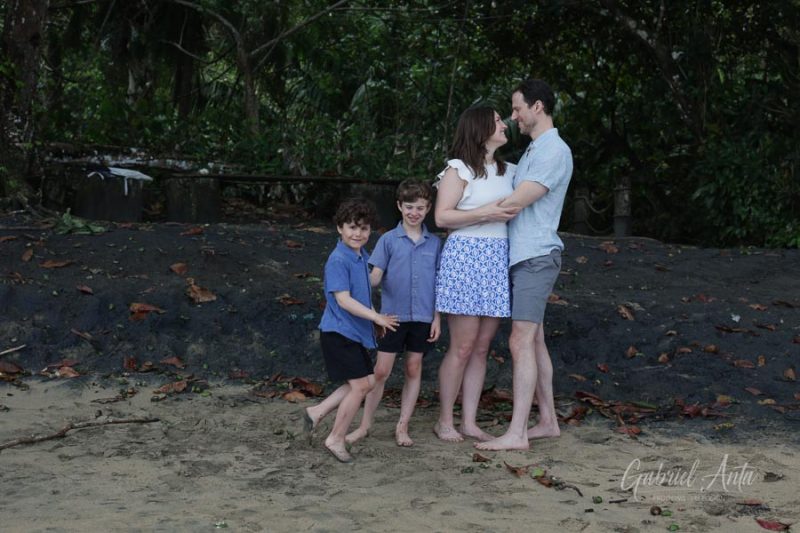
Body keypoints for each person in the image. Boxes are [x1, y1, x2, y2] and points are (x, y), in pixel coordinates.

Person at [476, 79, 573, 451]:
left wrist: (458, 216)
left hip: (536, 257)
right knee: (534, 340)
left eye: (517, 108)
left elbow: (516, 201)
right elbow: (502, 177)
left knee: (520, 340)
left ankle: (517, 434)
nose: (513, 116)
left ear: (537, 107)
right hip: (523, 256)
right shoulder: (536, 149)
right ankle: (547, 421)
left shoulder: (554, 151)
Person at [433, 106, 521, 443]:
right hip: (466, 258)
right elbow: (442, 218)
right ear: (480, 128)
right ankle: (445, 421)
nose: (505, 125)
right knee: (463, 345)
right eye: (497, 121)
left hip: (496, 258)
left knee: (482, 347)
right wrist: (485, 213)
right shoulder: (459, 169)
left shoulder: (510, 171)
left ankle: (469, 422)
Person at [345, 180, 443, 447]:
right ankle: (365, 425)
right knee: (381, 371)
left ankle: (403, 425)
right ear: (399, 206)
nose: (414, 212)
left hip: (423, 317)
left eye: (420, 208)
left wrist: (437, 317)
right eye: (409, 207)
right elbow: (375, 277)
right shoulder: (388, 240)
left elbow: (438, 284)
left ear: (428, 209)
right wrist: (355, 279)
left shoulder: (435, 243)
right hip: (392, 317)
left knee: (413, 367)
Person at [303, 198, 400, 463]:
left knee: (367, 382)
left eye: (364, 228)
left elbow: (364, 293)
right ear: (340, 228)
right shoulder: (338, 260)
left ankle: (316, 412)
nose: (358, 233)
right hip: (338, 333)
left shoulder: (361, 256)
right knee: (360, 386)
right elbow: (344, 300)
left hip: (354, 333)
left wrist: (374, 322)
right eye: (352, 227)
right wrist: (376, 316)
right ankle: (335, 438)